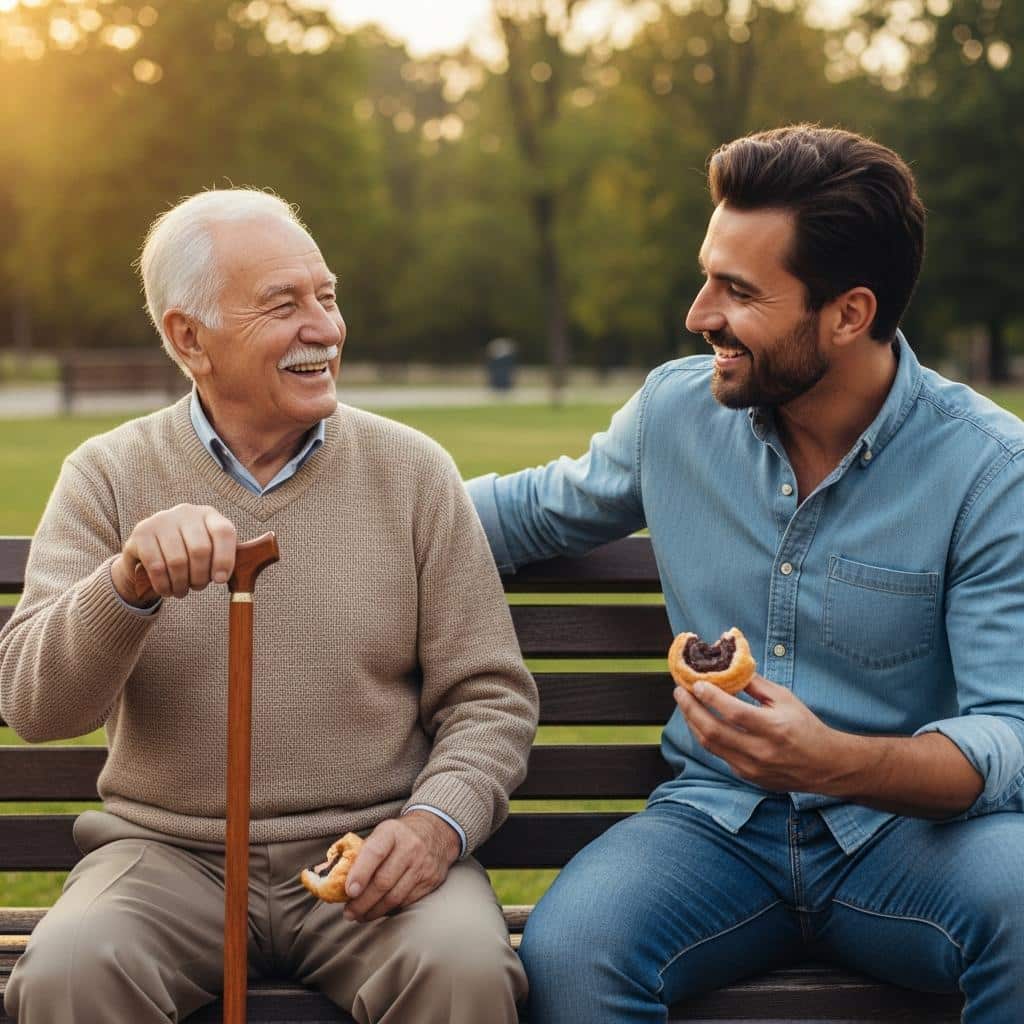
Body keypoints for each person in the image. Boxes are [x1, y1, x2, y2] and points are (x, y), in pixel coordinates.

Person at [466, 125, 1024, 1023]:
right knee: (570, 955)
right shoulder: (676, 414)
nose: (698, 314)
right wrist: (308, 507)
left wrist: (837, 762)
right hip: (712, 829)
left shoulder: (990, 471)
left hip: (910, 840)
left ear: (847, 313)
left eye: (738, 290)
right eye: (706, 275)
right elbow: (522, 512)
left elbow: (1011, 732)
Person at [0, 189, 538, 1024]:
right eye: (283, 305)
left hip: (371, 849)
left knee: (464, 970)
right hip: (169, 857)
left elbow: (491, 697)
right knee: (70, 974)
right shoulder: (107, 474)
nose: (324, 328)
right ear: (189, 338)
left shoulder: (413, 471)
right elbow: (35, 706)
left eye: (326, 296)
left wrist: (436, 824)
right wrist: (126, 586)